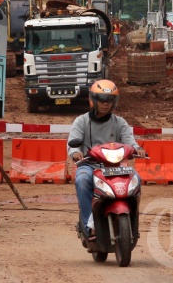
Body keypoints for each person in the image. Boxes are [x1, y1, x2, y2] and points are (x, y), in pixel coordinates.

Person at [67, 79, 146, 239]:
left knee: (135, 178)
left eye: (109, 100)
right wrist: (75, 152)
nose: (105, 104)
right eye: (102, 100)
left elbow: (129, 140)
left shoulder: (119, 122)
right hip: (90, 165)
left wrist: (136, 149)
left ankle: (132, 222)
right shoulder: (81, 121)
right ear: (93, 100)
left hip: (115, 166)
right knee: (82, 180)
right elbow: (72, 143)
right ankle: (89, 226)